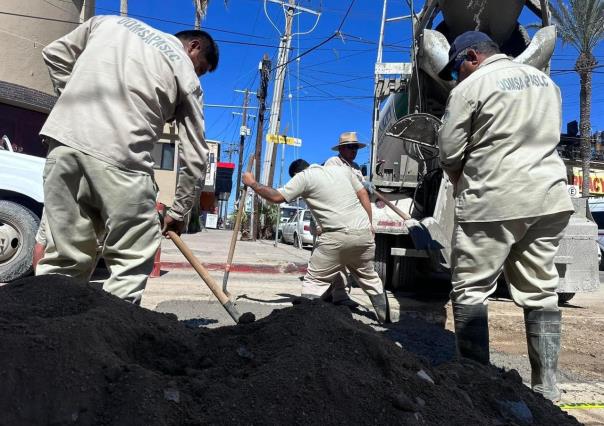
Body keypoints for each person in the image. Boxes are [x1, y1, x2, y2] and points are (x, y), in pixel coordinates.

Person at [36, 15, 218, 304]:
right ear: (193, 47)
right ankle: (106, 338)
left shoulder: (107, 23)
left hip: (64, 145)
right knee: (131, 258)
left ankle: (46, 331)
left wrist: (75, 102)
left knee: (64, 259)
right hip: (122, 159)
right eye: (202, 68)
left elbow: (54, 54)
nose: (199, 74)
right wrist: (179, 212)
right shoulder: (183, 69)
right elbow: (195, 156)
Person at [437, 31, 574, 401]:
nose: (456, 76)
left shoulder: (471, 87)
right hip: (548, 199)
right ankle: (546, 387)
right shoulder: (546, 83)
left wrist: (459, 177)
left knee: (471, 289)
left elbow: (449, 149)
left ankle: (474, 384)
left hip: (492, 202)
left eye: (457, 68)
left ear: (472, 57)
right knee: (541, 291)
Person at [242, 159, 389, 324]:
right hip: (363, 234)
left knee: (315, 281)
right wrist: (369, 225)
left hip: (336, 236)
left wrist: (253, 183)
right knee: (369, 277)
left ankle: (307, 329)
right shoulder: (342, 170)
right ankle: (386, 320)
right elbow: (363, 193)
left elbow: (277, 197)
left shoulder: (304, 177)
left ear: (296, 174)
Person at [322, 131, 369, 307]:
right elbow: (334, 186)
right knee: (337, 256)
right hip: (335, 214)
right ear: (341, 148)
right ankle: (340, 295)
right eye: (350, 147)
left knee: (339, 257)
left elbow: (361, 191)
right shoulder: (333, 163)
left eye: (355, 147)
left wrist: (366, 186)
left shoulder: (356, 166)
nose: (354, 150)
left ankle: (327, 293)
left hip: (351, 216)